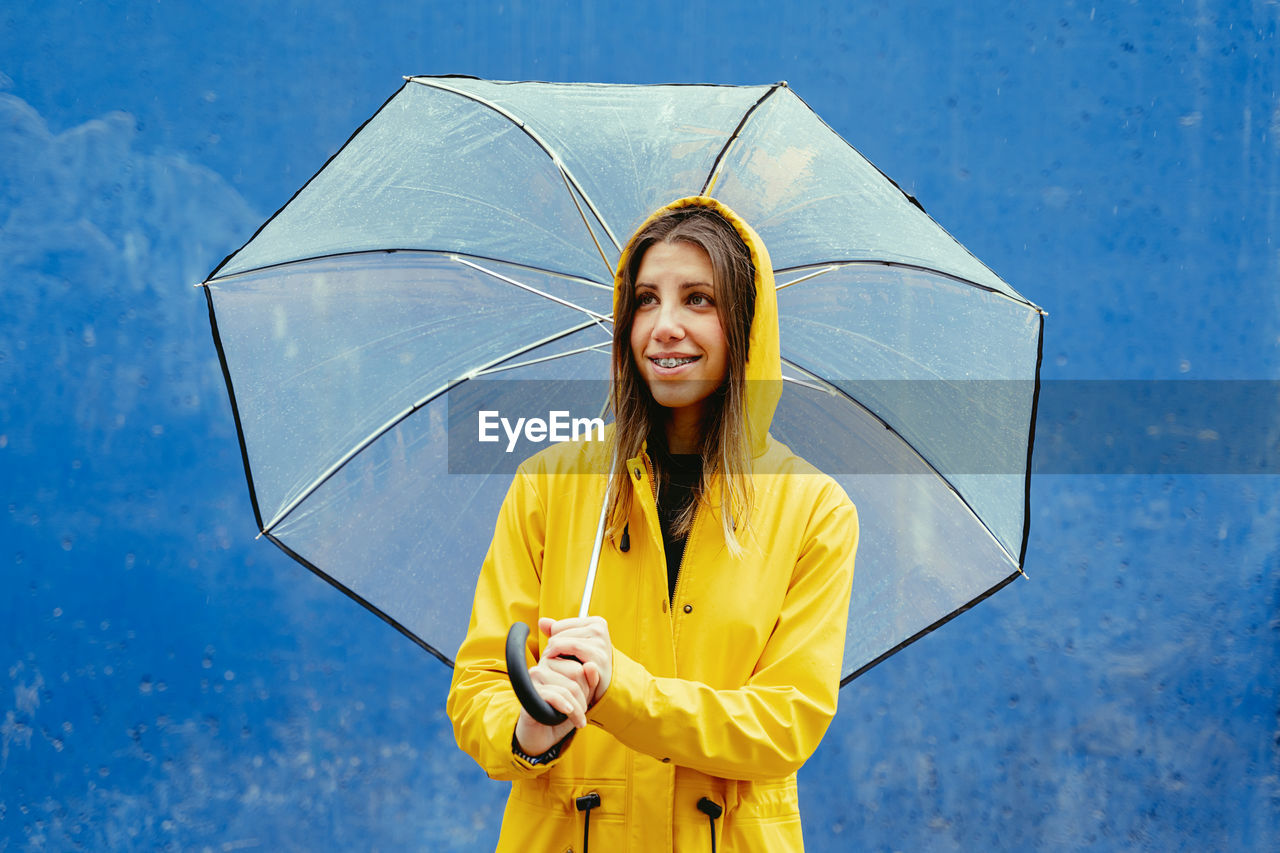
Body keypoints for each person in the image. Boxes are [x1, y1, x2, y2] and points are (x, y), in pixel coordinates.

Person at [448, 196, 858, 851]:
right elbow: (478, 686)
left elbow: (785, 722)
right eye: (645, 299)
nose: (664, 325)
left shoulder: (813, 507)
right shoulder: (550, 483)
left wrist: (622, 690)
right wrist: (527, 727)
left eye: (698, 299)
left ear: (748, 324)